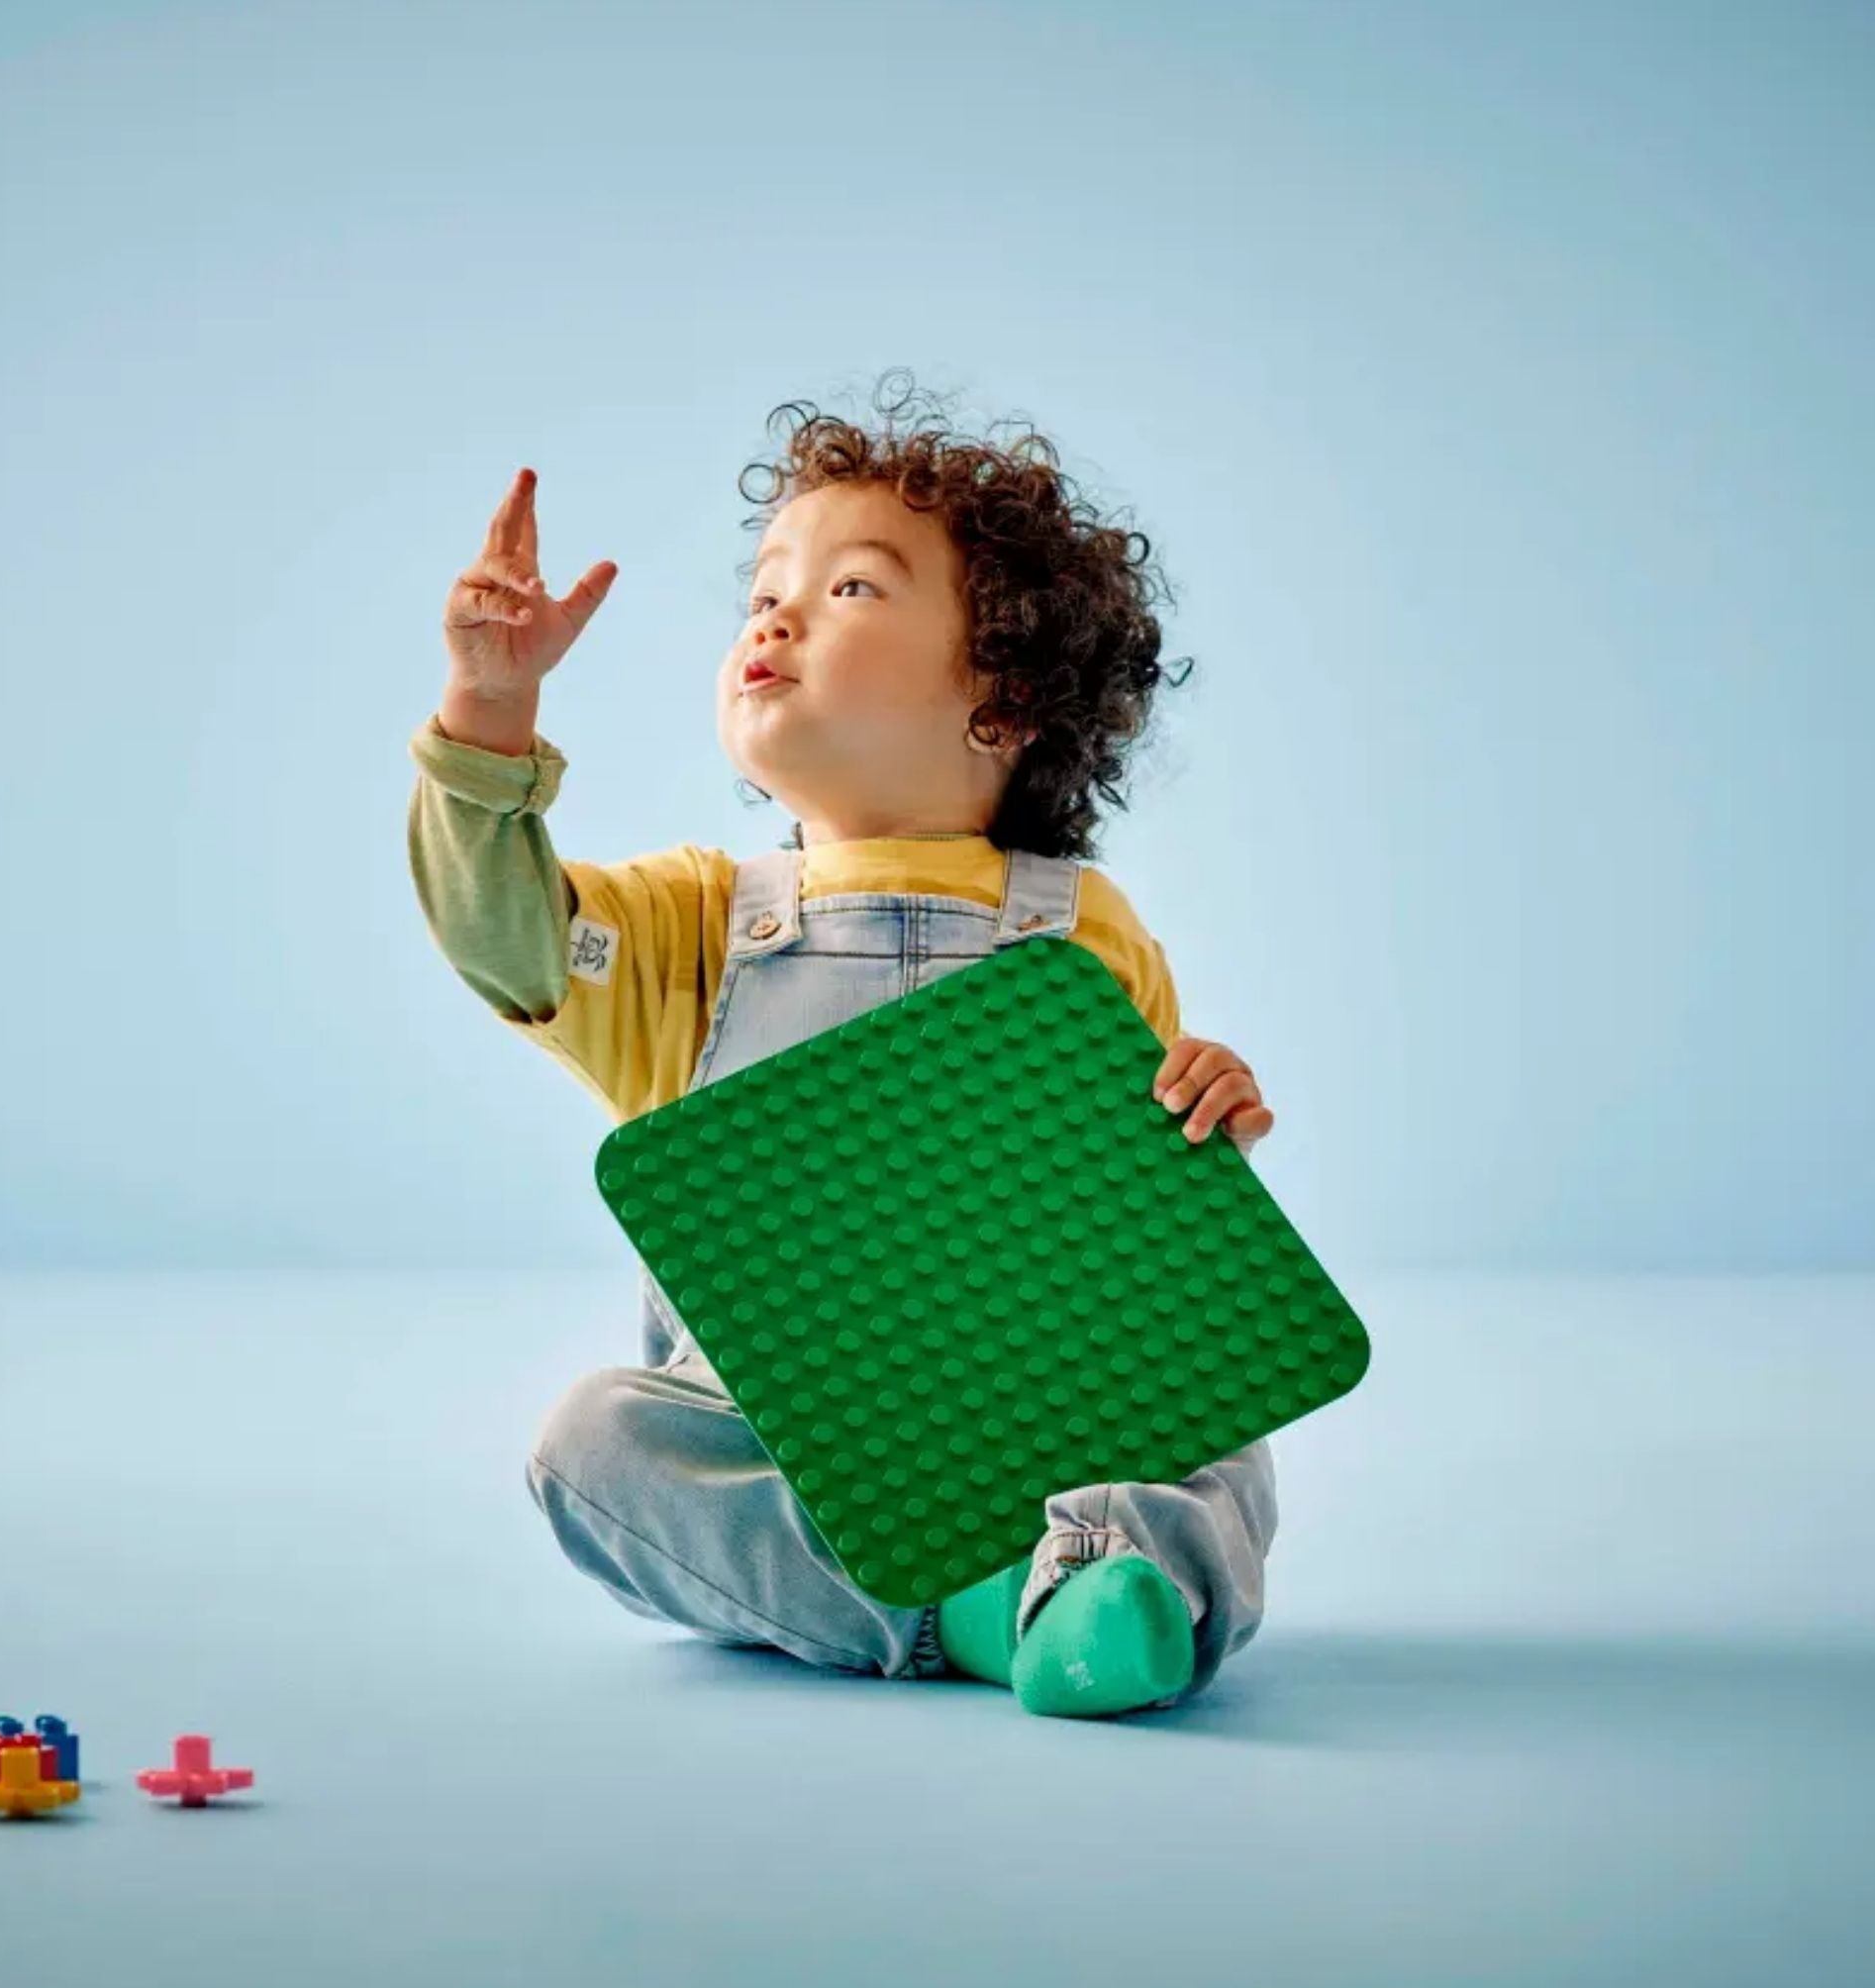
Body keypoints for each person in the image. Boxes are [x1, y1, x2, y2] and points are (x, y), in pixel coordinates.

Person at [407, 374, 1279, 1720]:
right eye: (766, 589)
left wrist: (1209, 1107)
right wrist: (487, 712)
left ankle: (1100, 1569)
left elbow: (1146, 1228)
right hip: (799, 1442)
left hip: (1050, 1411)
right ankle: (995, 1612)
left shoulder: (1085, 929)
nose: (776, 613)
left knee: (1218, 1433)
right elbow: (509, 941)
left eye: (852, 587)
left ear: (1005, 699)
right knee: (595, 1446)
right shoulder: (695, 926)